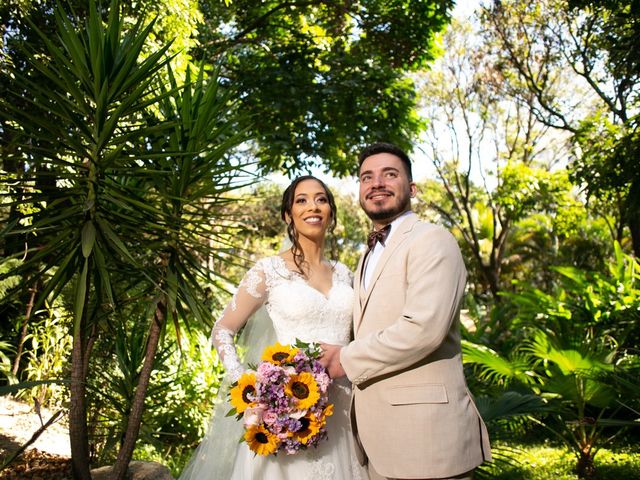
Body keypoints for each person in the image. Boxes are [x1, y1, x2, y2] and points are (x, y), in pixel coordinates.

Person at [319, 143, 491, 480]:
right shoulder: (367, 255)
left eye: (389, 174)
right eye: (367, 177)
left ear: (411, 188)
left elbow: (423, 329)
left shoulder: (433, 240)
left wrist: (345, 359)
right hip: (375, 444)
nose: (376, 183)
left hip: (425, 440)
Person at [179, 175, 367, 480]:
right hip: (288, 413)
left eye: (321, 199)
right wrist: (251, 389)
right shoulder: (269, 270)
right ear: (287, 215)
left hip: (345, 412)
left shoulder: (346, 274)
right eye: (301, 200)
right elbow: (222, 330)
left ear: (331, 212)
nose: (312, 206)